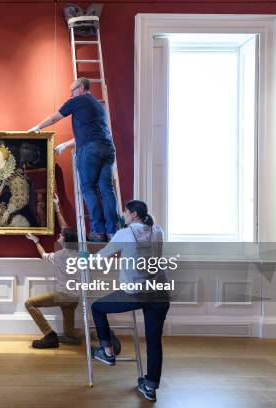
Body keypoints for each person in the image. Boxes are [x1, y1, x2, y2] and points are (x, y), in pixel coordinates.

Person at [88, 200, 170, 402]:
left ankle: (107, 352)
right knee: (154, 342)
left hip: (135, 293)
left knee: (97, 308)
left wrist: (83, 257)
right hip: (159, 293)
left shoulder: (124, 235)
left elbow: (100, 258)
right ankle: (150, 387)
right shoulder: (158, 231)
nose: (123, 215)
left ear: (133, 214)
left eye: (125, 212)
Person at [28, 77, 119, 242]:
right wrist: (65, 145)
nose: (71, 93)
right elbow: (89, 134)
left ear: (81, 88)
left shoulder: (77, 101)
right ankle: (112, 231)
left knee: (88, 189)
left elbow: (54, 117)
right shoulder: (98, 106)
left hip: (90, 150)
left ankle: (98, 231)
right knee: (106, 189)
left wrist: (37, 128)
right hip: (107, 147)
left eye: (73, 90)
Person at [23, 195, 80, 348]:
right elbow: (65, 229)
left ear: (65, 241)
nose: (59, 236)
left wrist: (36, 241)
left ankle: (49, 335)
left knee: (29, 303)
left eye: (61, 237)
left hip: (63, 295)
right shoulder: (79, 251)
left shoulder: (61, 255)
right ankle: (71, 337)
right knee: (69, 332)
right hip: (75, 297)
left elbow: (43, 255)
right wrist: (57, 208)